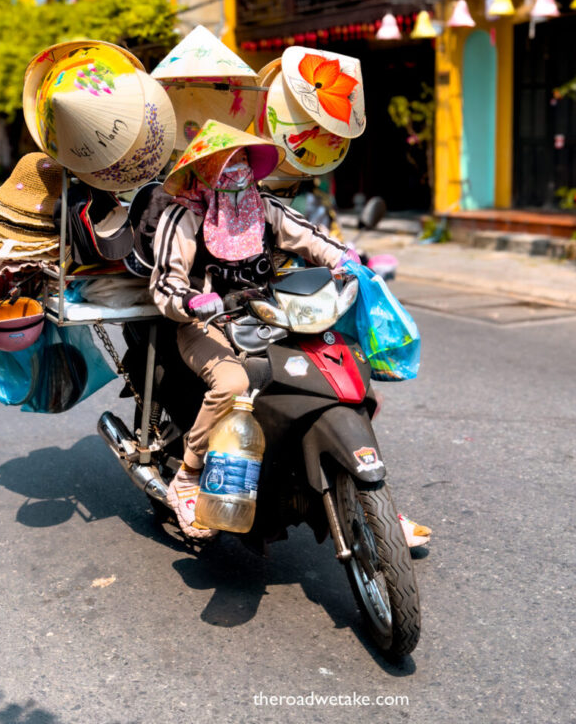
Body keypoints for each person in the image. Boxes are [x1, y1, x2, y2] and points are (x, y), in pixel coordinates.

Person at [149, 120, 430, 548]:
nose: (236, 172)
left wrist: (350, 261)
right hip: (205, 324)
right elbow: (165, 283)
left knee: (344, 375)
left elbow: (313, 238)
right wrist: (190, 302)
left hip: (272, 314)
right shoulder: (183, 217)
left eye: (242, 161)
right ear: (203, 171)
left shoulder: (264, 207)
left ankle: (372, 502)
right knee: (235, 384)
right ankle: (188, 477)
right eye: (225, 164)